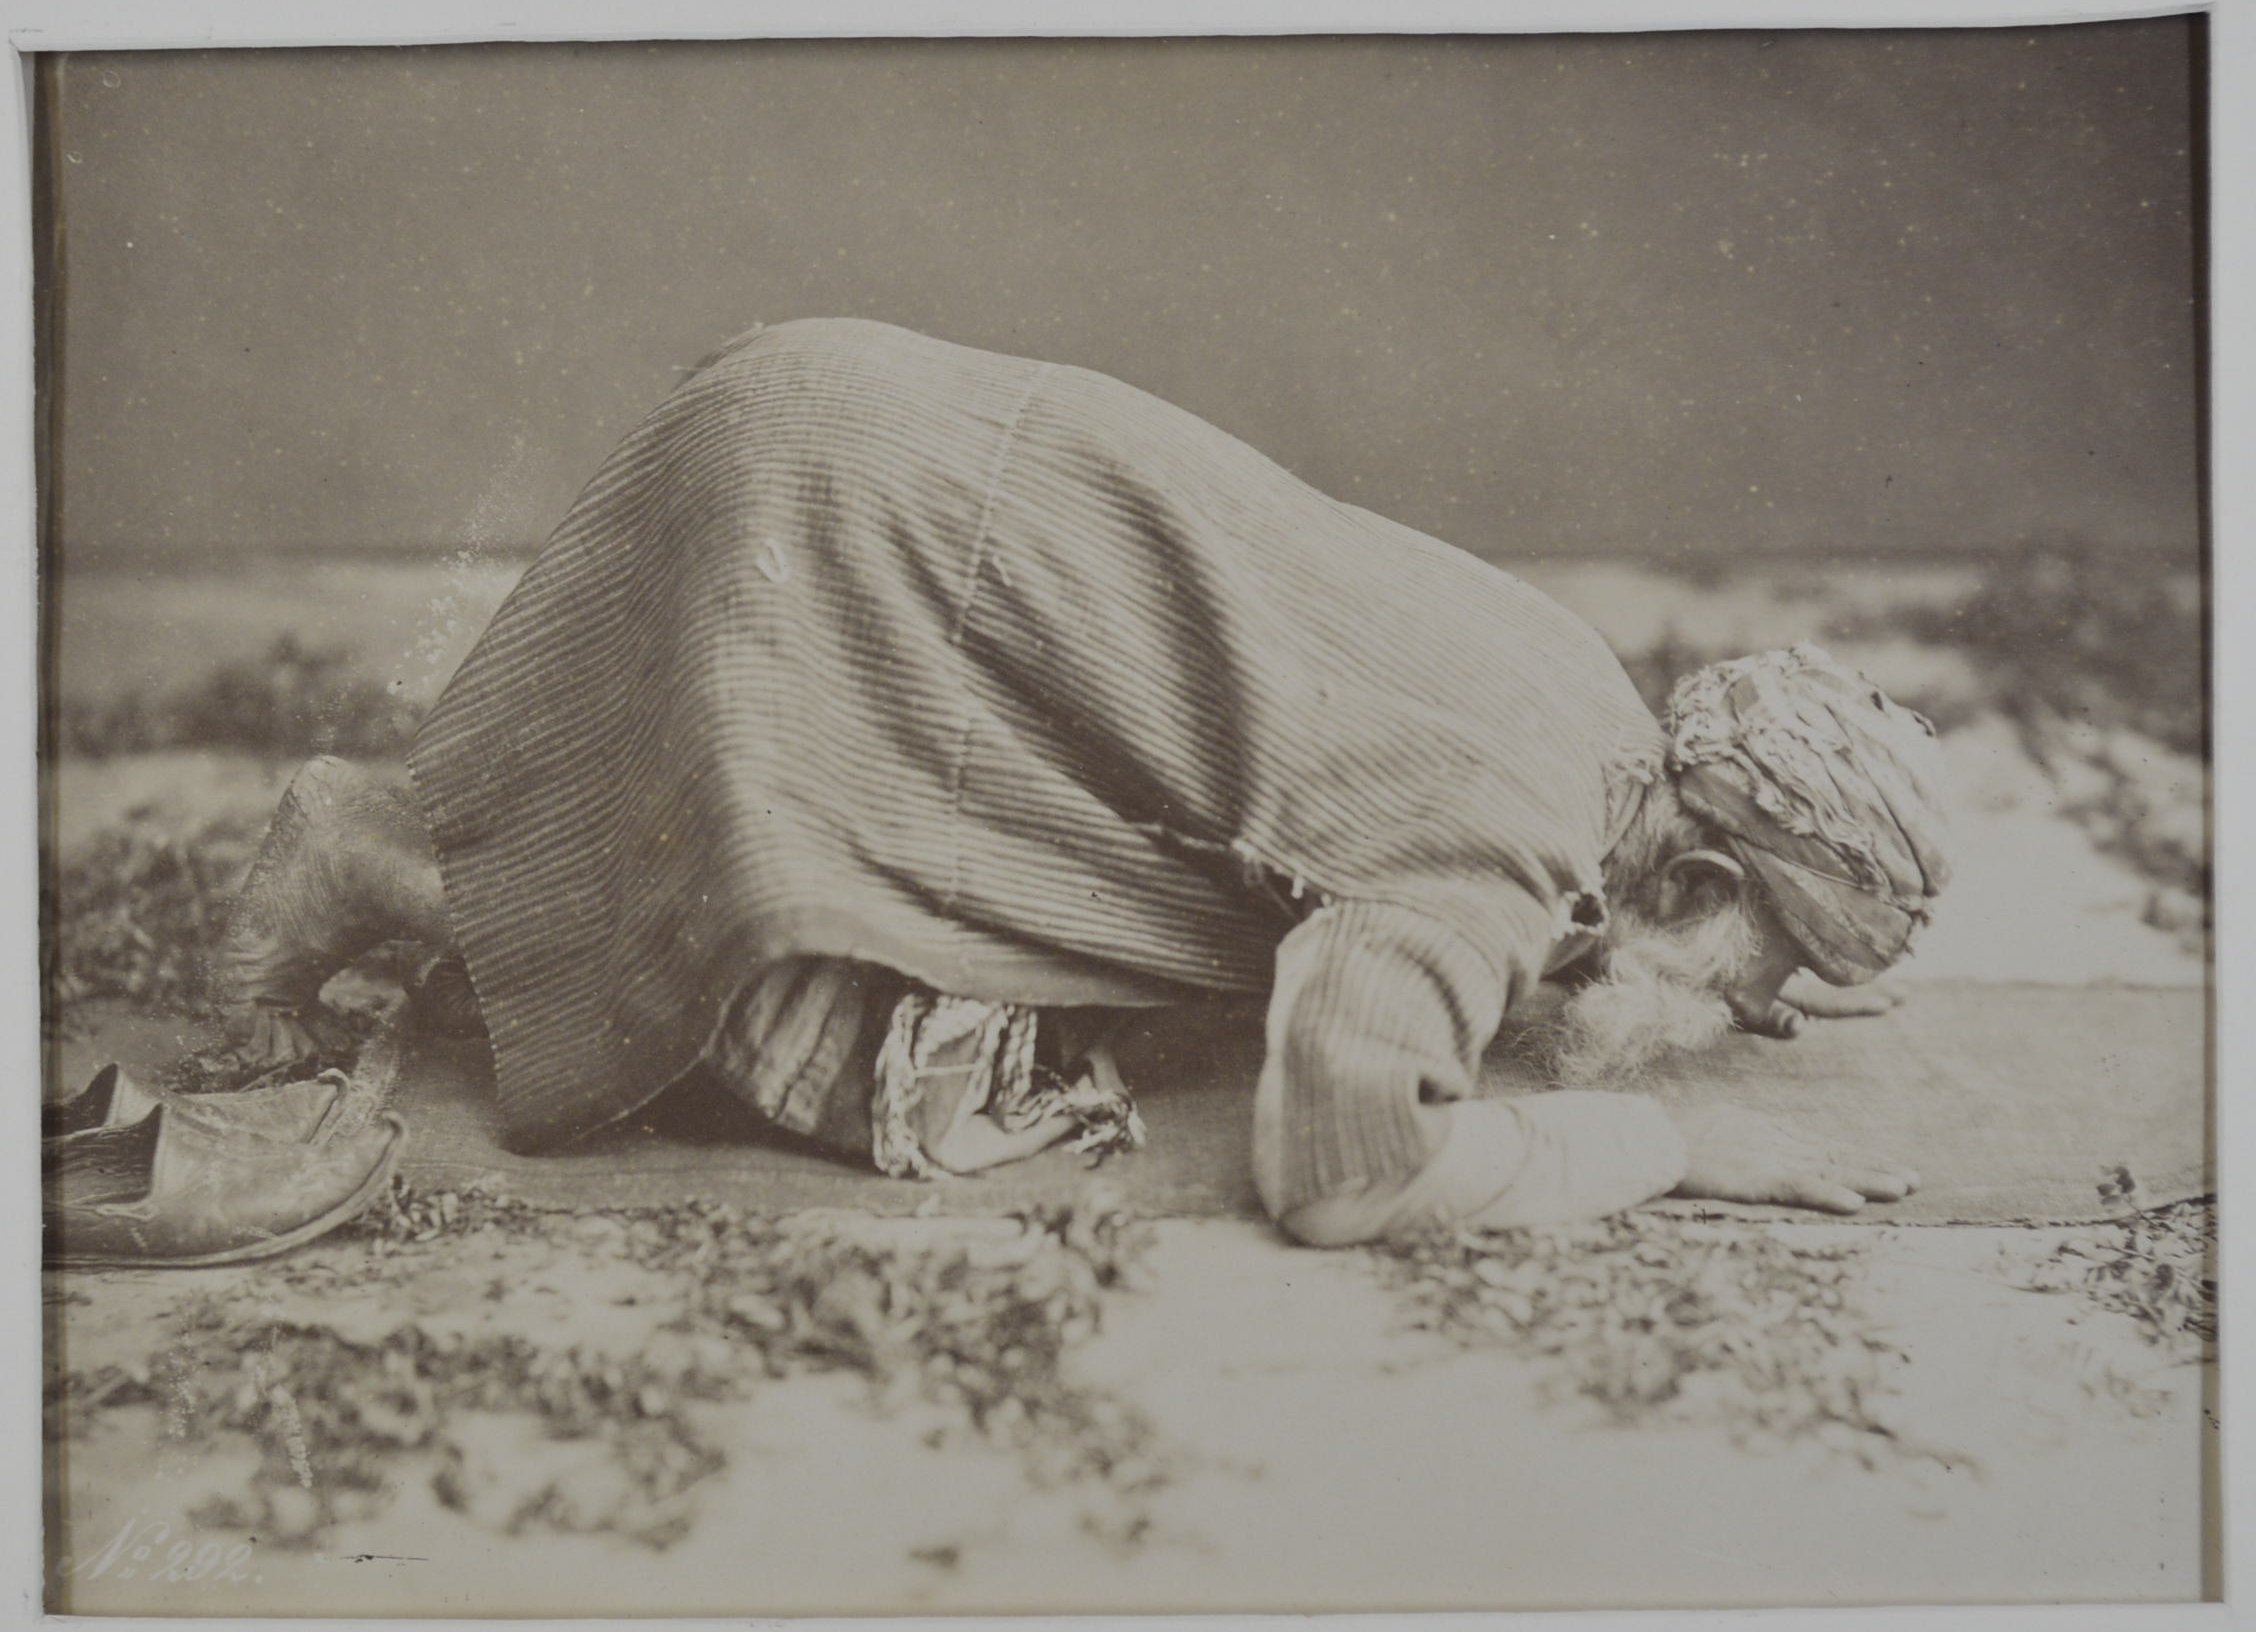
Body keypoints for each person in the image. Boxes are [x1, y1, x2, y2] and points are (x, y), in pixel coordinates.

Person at [217, 318, 1951, 1247]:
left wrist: (1719, 978)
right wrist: (1662, 1140)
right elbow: (1341, 1170)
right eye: (1766, 964)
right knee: (887, 1077)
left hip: (863, 422)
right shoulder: (1497, 855)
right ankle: (369, 859)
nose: (1752, 1009)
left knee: (1131, 968)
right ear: (1699, 881)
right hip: (860, 531)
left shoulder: (1592, 708)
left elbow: (1500, 888)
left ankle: (450, 834)